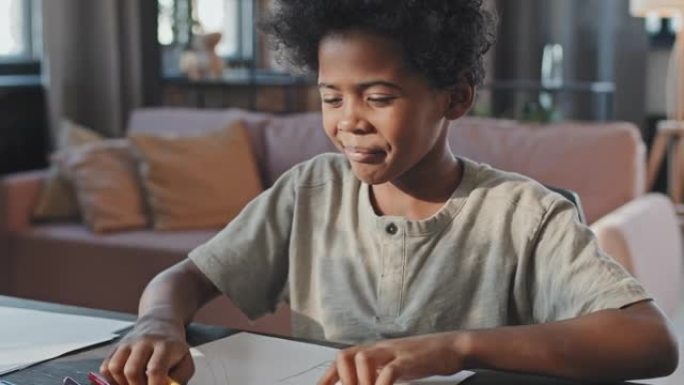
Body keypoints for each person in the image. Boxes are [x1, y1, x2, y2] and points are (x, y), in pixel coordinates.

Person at [101, 1, 679, 384]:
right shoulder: (309, 193)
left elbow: (650, 340)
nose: (349, 121)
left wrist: (453, 348)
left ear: (454, 98)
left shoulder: (522, 216)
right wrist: (156, 322)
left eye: (378, 98)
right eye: (332, 98)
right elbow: (184, 279)